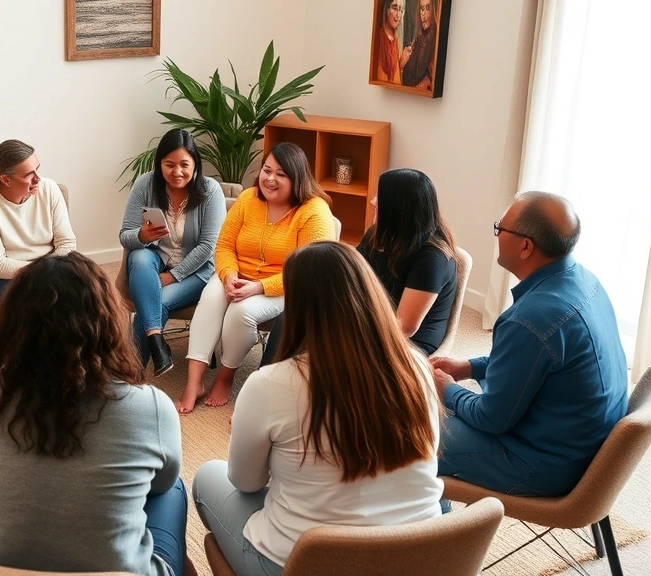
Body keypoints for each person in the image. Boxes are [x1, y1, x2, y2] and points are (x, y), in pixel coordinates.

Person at [194, 242, 443, 575]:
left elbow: (247, 482)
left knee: (206, 477)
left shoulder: (270, 383)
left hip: (302, 564)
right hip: (416, 556)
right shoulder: (416, 365)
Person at [0, 253, 187, 576]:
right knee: (173, 488)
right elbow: (161, 483)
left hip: (0, 571)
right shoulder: (151, 406)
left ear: (14, 323)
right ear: (106, 322)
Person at [431, 191, 628, 504]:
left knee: (413, 434)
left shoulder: (528, 319)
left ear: (525, 246)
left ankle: (436, 545)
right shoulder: (586, 282)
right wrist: (469, 367)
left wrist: (447, 389)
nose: (496, 235)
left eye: (500, 229)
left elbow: (491, 419)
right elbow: (537, 359)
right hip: (588, 451)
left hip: (546, 465)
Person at [178, 142, 335, 414]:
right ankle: (194, 382)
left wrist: (259, 286)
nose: (270, 179)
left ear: (298, 177)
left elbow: (310, 269)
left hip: (285, 284)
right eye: (266, 170)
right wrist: (228, 276)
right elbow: (225, 244)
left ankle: (226, 376)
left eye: (281, 174)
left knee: (241, 312)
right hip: (237, 274)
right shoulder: (249, 198)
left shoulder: (313, 210)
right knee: (211, 300)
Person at [119, 129, 226, 376]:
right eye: (169, 165)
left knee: (159, 302)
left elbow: (208, 247)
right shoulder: (145, 184)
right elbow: (125, 235)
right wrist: (142, 236)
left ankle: (129, 374)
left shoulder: (210, 190)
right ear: (159, 164)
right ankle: (156, 340)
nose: (177, 172)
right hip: (156, 260)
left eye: (184, 165)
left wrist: (173, 276)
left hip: (197, 271)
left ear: (195, 164)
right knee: (138, 254)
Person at [356, 169, 456, 355]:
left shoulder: (433, 258)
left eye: (381, 196)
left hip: (409, 345)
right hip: (375, 319)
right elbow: (353, 274)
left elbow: (404, 328)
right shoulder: (377, 235)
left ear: (399, 208)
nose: (373, 201)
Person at [0, 139, 76, 301]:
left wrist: (49, 271)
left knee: (84, 296)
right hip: (6, 277)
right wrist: (43, 271)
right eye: (28, 175)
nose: (37, 179)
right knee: (43, 304)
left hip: (53, 268)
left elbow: (67, 244)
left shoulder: (50, 188)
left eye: (37, 169)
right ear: (5, 179)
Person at [401, 0, 437, 90]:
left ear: (434, 9)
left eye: (427, 8)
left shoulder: (434, 39)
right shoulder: (419, 36)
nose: (423, 14)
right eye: (421, 9)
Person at [375, 0, 407, 83]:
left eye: (401, 10)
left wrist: (401, 64)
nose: (398, 15)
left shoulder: (396, 41)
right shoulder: (379, 37)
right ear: (386, 9)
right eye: (395, 8)